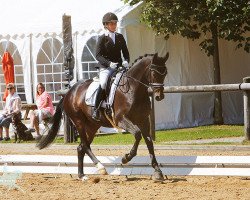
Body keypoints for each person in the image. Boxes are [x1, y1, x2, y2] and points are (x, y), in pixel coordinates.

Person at [92, 12, 130, 121]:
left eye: (115, 23)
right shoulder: (102, 38)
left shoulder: (120, 37)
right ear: (106, 25)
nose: (114, 25)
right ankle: (96, 108)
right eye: (111, 23)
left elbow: (125, 52)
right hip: (105, 67)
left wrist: (126, 61)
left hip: (118, 67)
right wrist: (109, 64)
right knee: (104, 83)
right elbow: (98, 55)